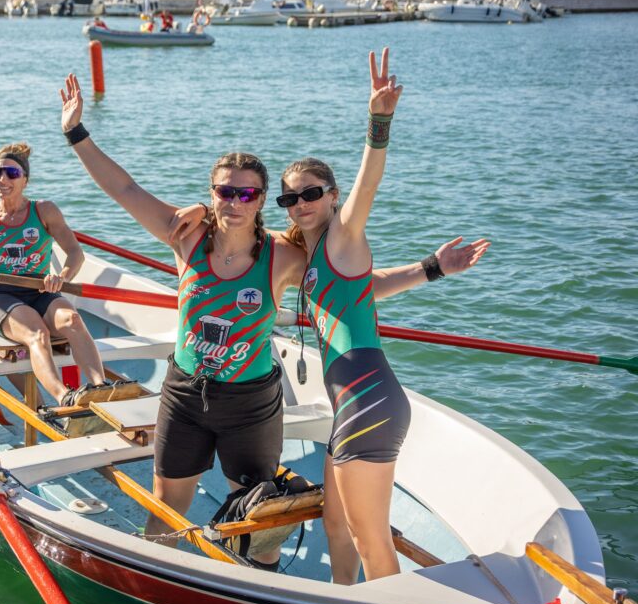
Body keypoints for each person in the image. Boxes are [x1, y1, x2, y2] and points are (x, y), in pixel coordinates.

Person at [58, 69, 487, 573]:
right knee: (165, 510)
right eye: (224, 192)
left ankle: (263, 590)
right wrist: (76, 133)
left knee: (260, 526)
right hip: (185, 393)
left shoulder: (284, 255)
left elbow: (352, 286)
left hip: (251, 401)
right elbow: (123, 188)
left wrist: (429, 269)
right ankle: (156, 583)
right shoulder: (184, 236)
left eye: (247, 194)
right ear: (212, 192)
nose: (233, 202)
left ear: (261, 201)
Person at [0, 143, 132, 407]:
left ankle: (100, 388)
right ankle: (64, 397)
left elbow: (74, 252)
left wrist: (63, 275)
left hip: (42, 290)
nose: (3, 179)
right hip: (1, 296)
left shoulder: (44, 211)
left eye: (11, 173)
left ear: (25, 179)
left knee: (73, 320)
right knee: (38, 333)